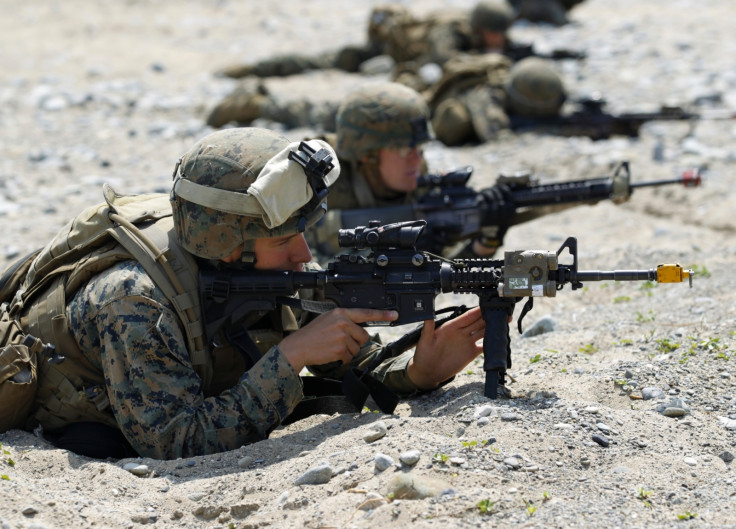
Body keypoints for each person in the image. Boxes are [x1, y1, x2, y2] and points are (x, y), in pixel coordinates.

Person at [4, 127, 486, 460]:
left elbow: (351, 356)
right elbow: (175, 442)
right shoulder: (134, 301)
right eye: (283, 240)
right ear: (229, 248)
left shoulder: (265, 265)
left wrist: (418, 372)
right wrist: (290, 357)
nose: (303, 254)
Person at [206, 1, 581, 129]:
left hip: (415, 74)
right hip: (391, 53)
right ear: (481, 29)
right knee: (329, 73)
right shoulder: (449, 30)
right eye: (495, 36)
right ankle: (251, 82)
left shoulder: (491, 55)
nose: (500, 42)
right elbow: (443, 61)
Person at [305, 81, 514, 261]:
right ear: (368, 155)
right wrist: (390, 254)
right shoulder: (314, 178)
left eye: (419, 148)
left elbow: (445, 273)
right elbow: (298, 273)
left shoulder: (412, 176)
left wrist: (485, 241)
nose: (417, 158)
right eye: (404, 149)